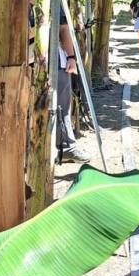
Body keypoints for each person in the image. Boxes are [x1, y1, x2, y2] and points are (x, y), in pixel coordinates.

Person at [56, 10, 89, 164]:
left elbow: (63, 29)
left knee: (62, 106)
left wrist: (71, 57)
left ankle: (66, 146)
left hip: (55, 62)